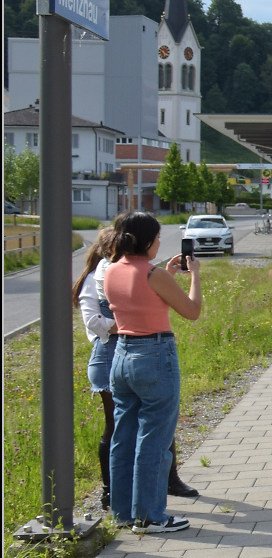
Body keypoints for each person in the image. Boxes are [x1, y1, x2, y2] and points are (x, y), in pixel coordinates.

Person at [75, 228, 198, 511]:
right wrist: (125, 324)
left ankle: (138, 498)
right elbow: (95, 321)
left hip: (124, 353)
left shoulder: (117, 272)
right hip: (121, 352)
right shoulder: (105, 275)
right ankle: (134, 504)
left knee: (139, 429)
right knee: (133, 429)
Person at [105, 210, 202, 533]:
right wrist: (194, 276)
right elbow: (191, 311)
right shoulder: (153, 274)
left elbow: (140, 300)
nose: (160, 243)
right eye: (158, 238)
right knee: (155, 440)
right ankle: (151, 516)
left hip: (122, 355)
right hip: (155, 354)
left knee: (124, 437)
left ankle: (123, 513)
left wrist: (166, 274)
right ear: (147, 239)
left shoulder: (111, 270)